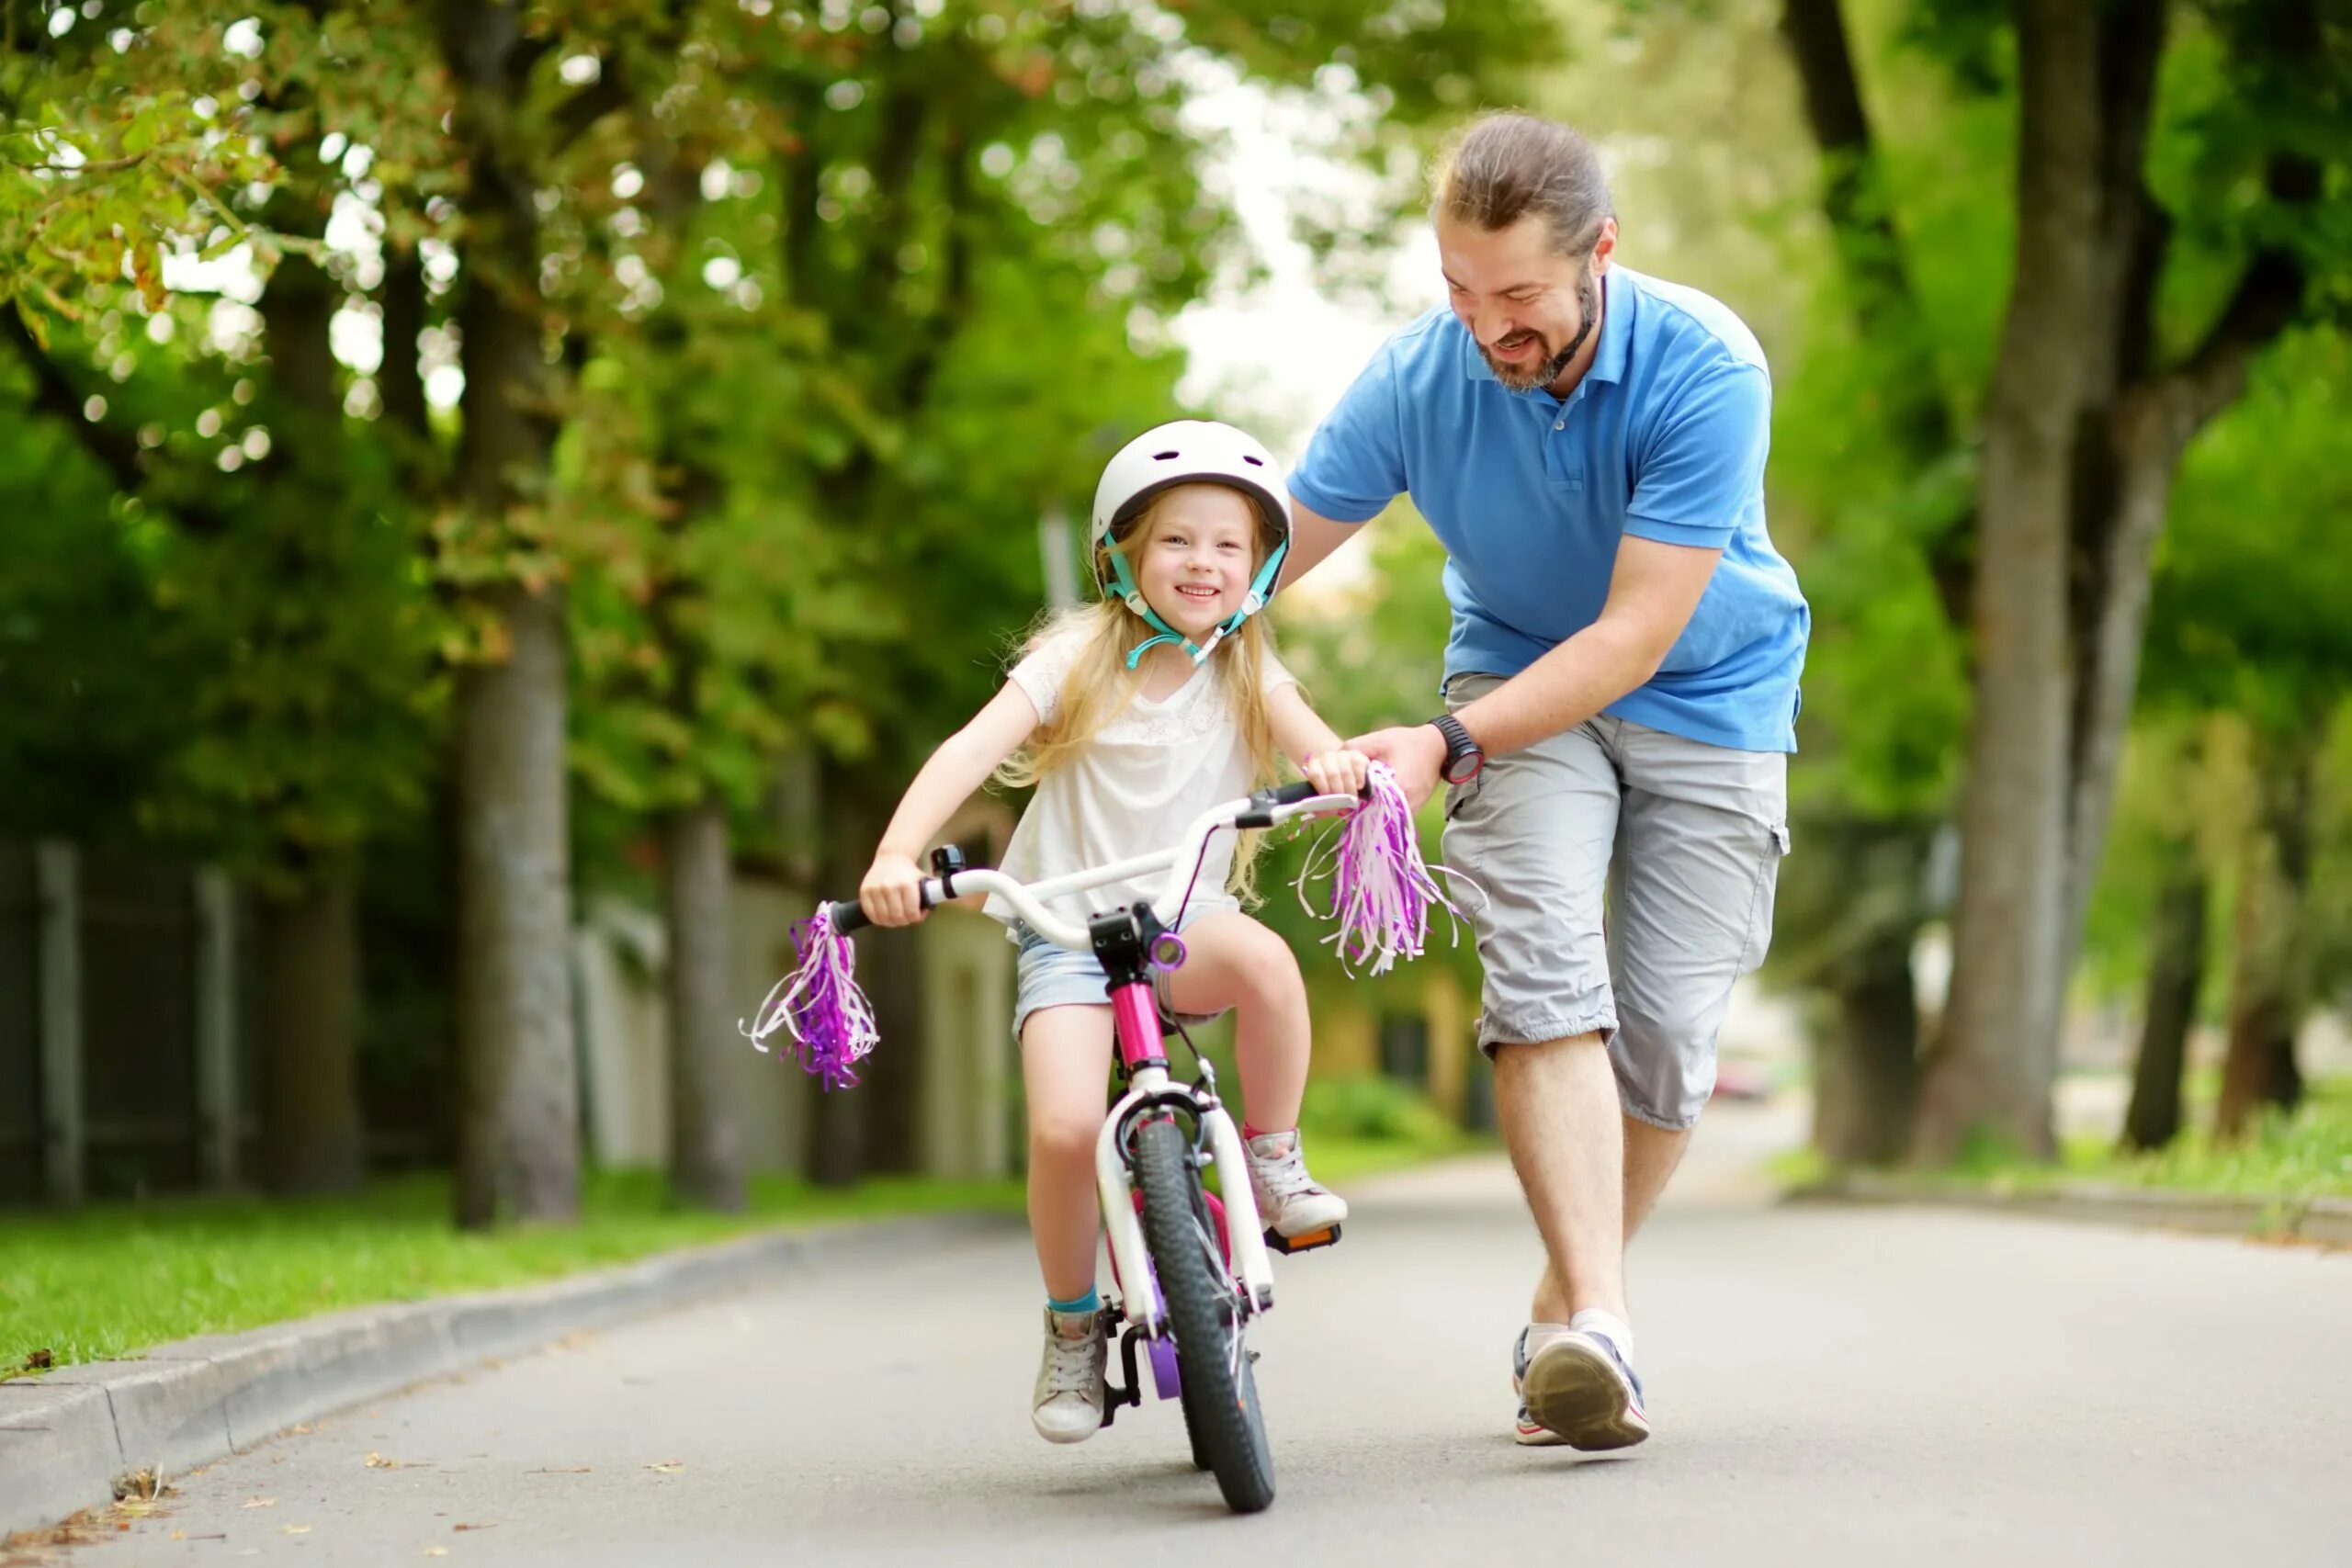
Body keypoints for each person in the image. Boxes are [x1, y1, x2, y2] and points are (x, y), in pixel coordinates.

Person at [1281, 112, 1810, 1451]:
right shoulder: (1420, 375)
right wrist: (1141, 605)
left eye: (1517, 294)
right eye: (1459, 288)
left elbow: (1637, 632)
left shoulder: (1706, 363)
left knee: (1673, 1036)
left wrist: (1441, 747)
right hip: (1517, 692)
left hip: (1710, 691)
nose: (1485, 326)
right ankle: (1601, 1329)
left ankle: (1567, 1308)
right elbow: (1267, 546)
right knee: (1543, 975)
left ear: (1601, 256)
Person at [856, 419, 1370, 1445]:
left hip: (1186, 924)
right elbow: (968, 751)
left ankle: (1271, 1159)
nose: (1203, 563)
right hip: (1065, 935)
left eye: (1229, 545)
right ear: (1125, 553)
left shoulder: (1245, 665)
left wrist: (1337, 769)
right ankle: (1072, 1325)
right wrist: (895, 855)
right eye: (1178, 540)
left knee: (1266, 964)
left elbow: (1317, 745)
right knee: (1057, 1131)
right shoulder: (1075, 656)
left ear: (1259, 566)